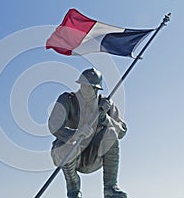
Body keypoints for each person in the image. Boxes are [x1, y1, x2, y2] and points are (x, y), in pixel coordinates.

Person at [48, 68, 127, 198]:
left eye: (90, 87)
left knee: (111, 133)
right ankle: (73, 189)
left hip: (92, 156)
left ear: (97, 89)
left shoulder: (106, 104)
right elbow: (53, 125)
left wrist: (105, 119)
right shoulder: (67, 99)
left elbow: (122, 131)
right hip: (70, 153)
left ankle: (110, 187)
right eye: (83, 85)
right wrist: (75, 133)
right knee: (65, 146)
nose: (85, 89)